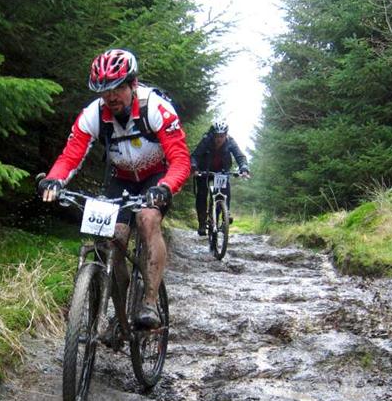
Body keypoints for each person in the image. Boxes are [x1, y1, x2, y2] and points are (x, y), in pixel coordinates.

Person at [38, 49, 190, 329]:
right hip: (121, 178)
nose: (111, 96)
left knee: (147, 219)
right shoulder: (93, 115)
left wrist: (165, 187)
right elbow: (71, 156)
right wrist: (54, 180)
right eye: (104, 90)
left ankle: (149, 302)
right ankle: (120, 315)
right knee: (112, 238)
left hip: (156, 178)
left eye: (118, 87)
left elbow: (180, 159)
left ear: (133, 84)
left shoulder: (155, 108)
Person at [190, 120, 250, 236]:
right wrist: (194, 167)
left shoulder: (230, 141)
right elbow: (195, 155)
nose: (219, 139)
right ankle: (202, 222)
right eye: (217, 136)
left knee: (224, 190)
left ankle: (225, 214)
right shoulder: (206, 140)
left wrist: (244, 167)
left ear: (226, 135)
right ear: (213, 135)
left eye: (222, 136)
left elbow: (240, 156)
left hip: (221, 171)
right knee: (202, 194)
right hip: (204, 170)